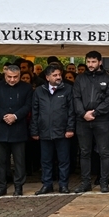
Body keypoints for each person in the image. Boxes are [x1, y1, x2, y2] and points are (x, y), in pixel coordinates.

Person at [72, 51, 109, 193]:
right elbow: (76, 97)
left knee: (104, 152)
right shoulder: (80, 78)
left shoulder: (108, 79)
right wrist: (83, 113)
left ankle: (104, 182)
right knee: (85, 152)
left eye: (93, 62)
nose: (90, 65)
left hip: (101, 120)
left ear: (100, 62)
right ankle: (86, 182)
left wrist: (95, 113)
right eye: (88, 62)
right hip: (83, 120)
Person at [0, 64, 32, 196]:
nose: (12, 80)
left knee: (19, 161)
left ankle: (19, 186)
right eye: (9, 77)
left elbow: (28, 105)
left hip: (18, 128)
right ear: (4, 74)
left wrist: (15, 116)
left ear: (19, 75)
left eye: (15, 77)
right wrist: (3, 116)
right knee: (0, 161)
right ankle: (1, 186)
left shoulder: (27, 88)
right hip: (0, 128)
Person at [31, 65, 76, 194]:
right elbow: (35, 112)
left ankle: (63, 185)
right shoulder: (39, 91)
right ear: (47, 77)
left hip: (62, 132)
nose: (58, 77)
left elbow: (71, 111)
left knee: (63, 160)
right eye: (55, 75)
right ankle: (47, 184)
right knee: (46, 161)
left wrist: (70, 128)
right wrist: (34, 131)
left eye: (59, 75)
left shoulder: (67, 89)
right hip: (44, 131)